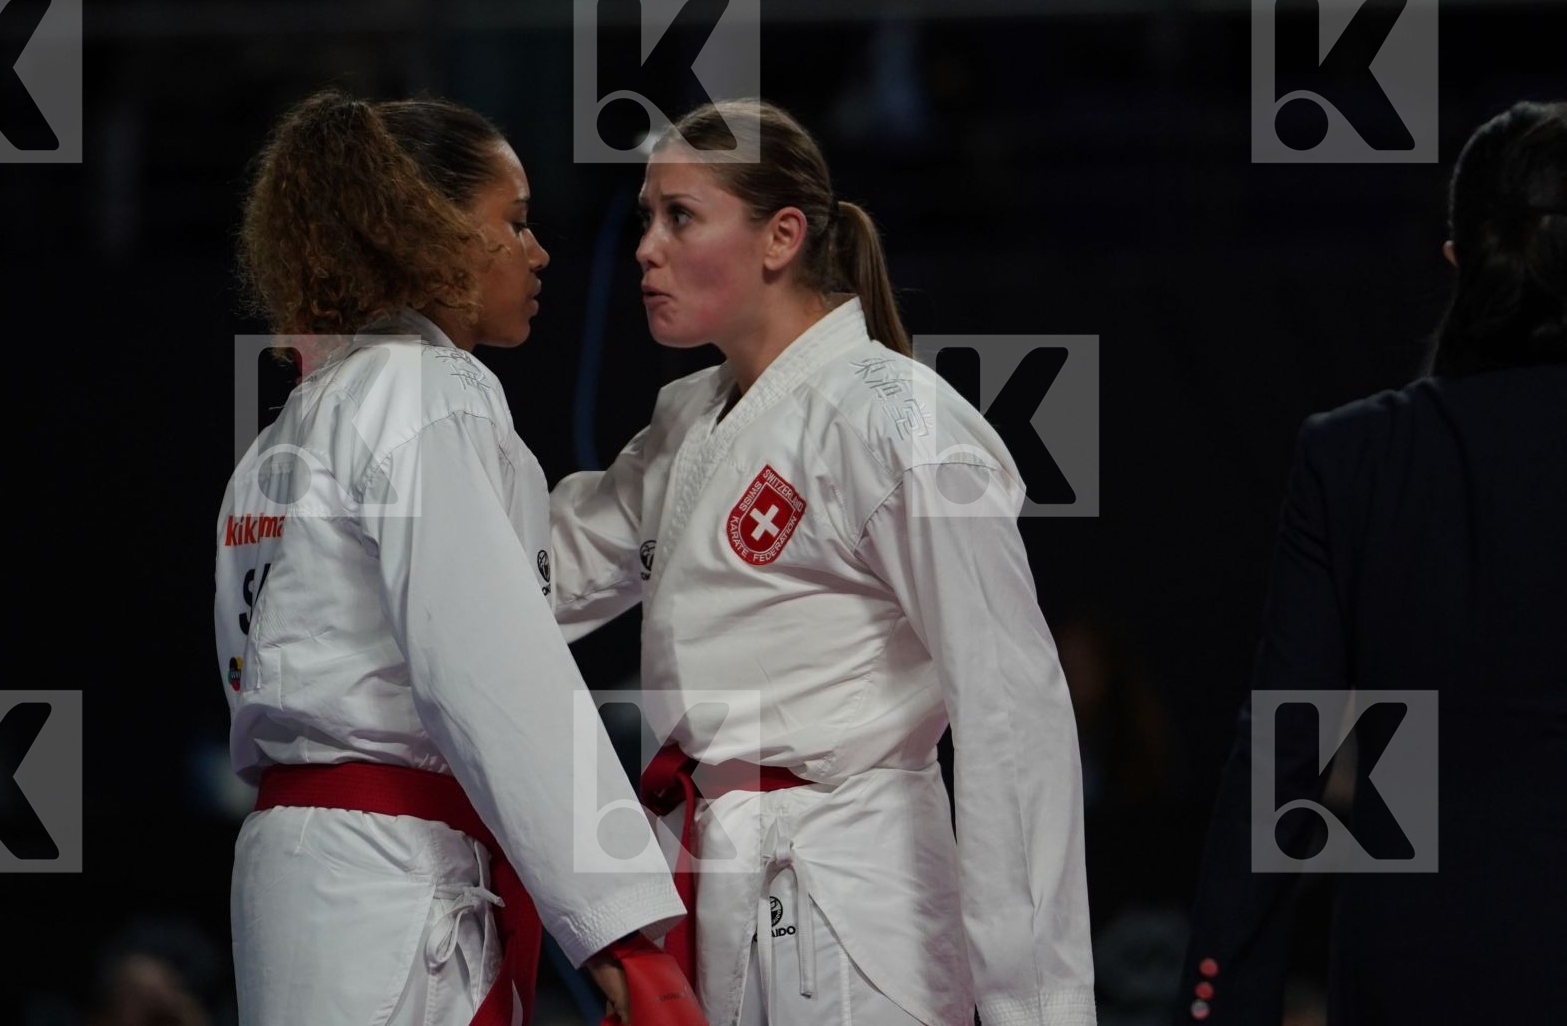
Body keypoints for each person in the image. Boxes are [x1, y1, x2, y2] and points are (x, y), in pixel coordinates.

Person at [548, 99, 1097, 1026]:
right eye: (646, 217)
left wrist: (1038, 1007)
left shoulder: (900, 421)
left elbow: (1013, 718)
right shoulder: (690, 418)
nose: (647, 247)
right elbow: (538, 574)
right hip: (718, 877)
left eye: (680, 216)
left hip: (856, 890)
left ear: (781, 238)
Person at [215, 91, 691, 1026]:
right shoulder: (427, 391)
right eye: (513, 223)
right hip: (392, 877)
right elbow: (492, 670)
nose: (537, 250)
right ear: (424, 232)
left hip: (311, 871)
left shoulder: (291, 429)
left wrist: (681, 476)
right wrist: (621, 932)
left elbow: (501, 590)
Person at [1177, 100, 1567, 1023]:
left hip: (1420, 966)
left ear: (1456, 265)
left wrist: (1216, 999)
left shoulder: (1357, 456)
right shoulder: (1357, 457)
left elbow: (1286, 752)